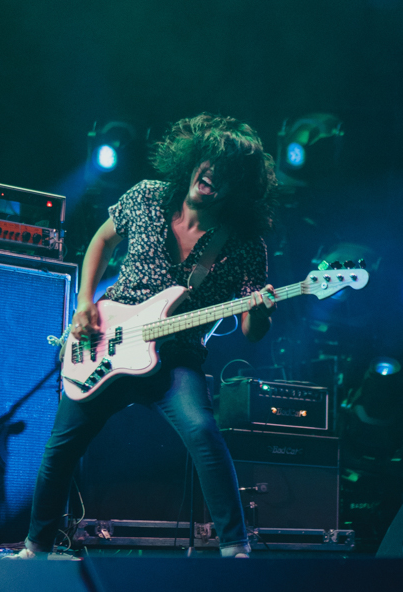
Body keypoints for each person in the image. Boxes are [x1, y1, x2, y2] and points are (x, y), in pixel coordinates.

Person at [15, 113, 278, 558]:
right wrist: (83, 304)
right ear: (193, 161)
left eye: (227, 170)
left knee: (202, 432)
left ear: (239, 187)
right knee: (60, 447)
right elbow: (101, 241)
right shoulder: (146, 197)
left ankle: (236, 548)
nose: (212, 171)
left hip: (175, 356)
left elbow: (253, 331)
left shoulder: (243, 244)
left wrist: (261, 311)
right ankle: (35, 547)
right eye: (208, 160)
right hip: (107, 342)